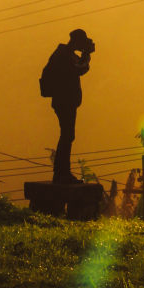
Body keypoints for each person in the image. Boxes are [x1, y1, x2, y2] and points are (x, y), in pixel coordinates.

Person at [42, 28, 95, 185]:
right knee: (67, 135)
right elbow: (78, 69)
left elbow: (80, 68)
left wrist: (86, 56)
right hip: (63, 101)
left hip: (67, 101)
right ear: (76, 41)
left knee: (68, 135)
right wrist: (87, 56)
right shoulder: (63, 55)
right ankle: (61, 173)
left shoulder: (67, 54)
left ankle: (63, 172)